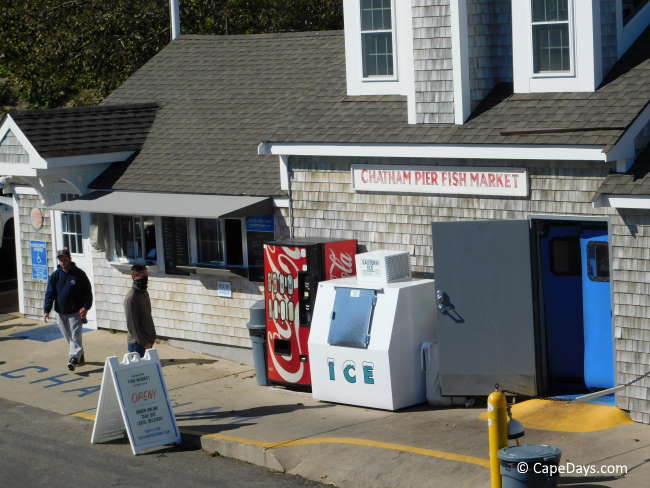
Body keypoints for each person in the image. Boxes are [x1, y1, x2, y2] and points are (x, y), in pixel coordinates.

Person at [43, 247, 93, 371]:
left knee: (75, 336)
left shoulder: (79, 274)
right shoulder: (55, 276)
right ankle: (79, 355)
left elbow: (88, 292)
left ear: (69, 259)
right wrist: (46, 309)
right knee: (68, 337)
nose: (63, 261)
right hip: (60, 311)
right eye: (60, 259)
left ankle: (74, 359)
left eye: (65, 259)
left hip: (75, 311)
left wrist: (86, 307)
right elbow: (50, 293)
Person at [124, 264, 156, 357]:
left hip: (148, 340)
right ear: (133, 277)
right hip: (137, 344)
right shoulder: (131, 298)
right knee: (137, 371)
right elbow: (132, 325)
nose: (144, 278)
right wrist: (144, 343)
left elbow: (148, 315)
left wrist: (152, 336)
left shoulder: (144, 293)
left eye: (146, 275)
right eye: (141, 275)